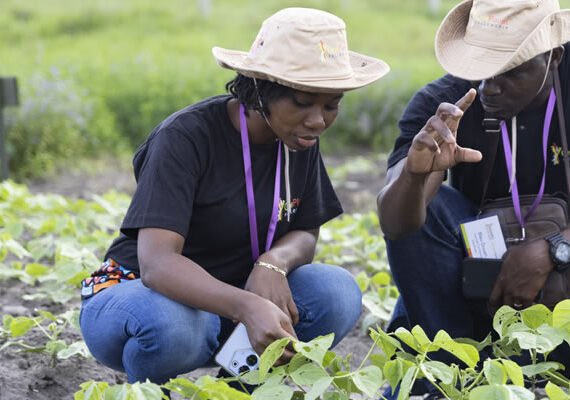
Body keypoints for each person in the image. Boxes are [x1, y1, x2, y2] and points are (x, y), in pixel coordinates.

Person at [378, 0, 570, 380]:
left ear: (554, 57)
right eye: (483, 68)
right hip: (483, 275)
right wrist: (414, 174)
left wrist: (553, 249)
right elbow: (396, 225)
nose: (491, 86)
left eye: (513, 72)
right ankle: (458, 365)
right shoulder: (443, 104)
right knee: (430, 211)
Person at [78, 7, 389, 384]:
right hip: (142, 295)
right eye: (302, 102)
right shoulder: (185, 138)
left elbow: (305, 233)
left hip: (237, 300)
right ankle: (148, 391)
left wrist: (272, 263)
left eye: (331, 104)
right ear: (260, 89)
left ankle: (239, 387)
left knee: (336, 293)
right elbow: (157, 264)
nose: (318, 120)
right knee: (175, 326)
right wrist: (247, 305)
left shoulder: (299, 140)